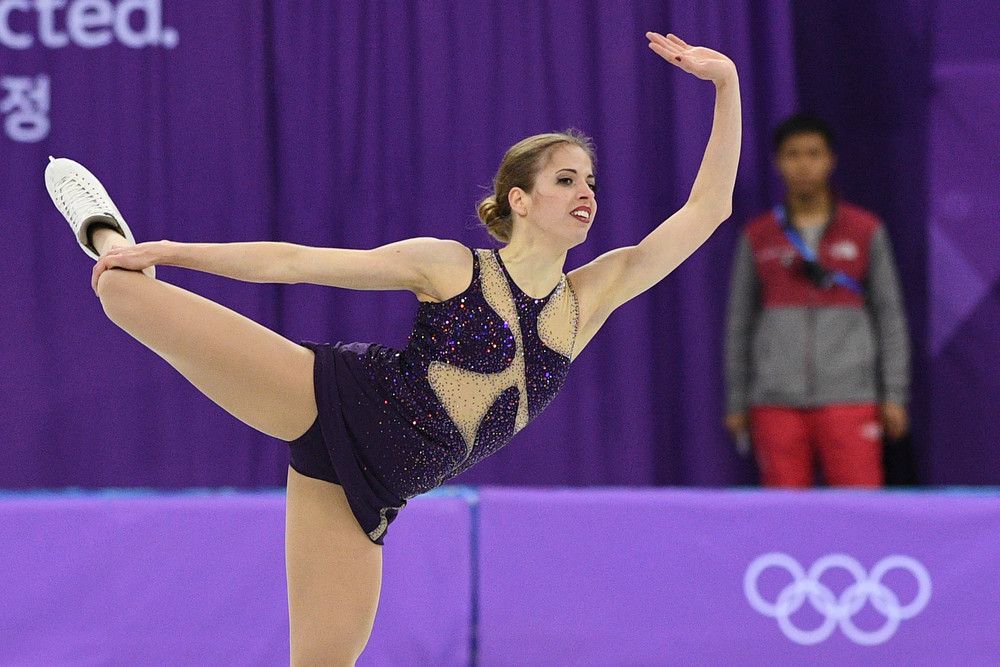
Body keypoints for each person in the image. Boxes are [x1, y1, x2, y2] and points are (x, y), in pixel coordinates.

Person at [45, 32, 739, 666]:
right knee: (123, 292)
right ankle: (108, 232)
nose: (586, 192)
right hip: (329, 398)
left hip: (371, 489)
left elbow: (708, 209)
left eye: (591, 182)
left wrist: (727, 83)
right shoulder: (450, 266)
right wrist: (172, 251)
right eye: (566, 179)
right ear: (519, 200)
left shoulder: (591, 297)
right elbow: (295, 261)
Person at [723, 113, 910, 489]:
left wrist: (893, 394)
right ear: (778, 162)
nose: (804, 165)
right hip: (776, 399)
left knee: (859, 509)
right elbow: (739, 324)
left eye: (813, 154)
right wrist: (737, 400)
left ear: (831, 160)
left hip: (850, 397)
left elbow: (890, 318)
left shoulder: (865, 230)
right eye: (792, 155)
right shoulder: (758, 236)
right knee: (783, 513)